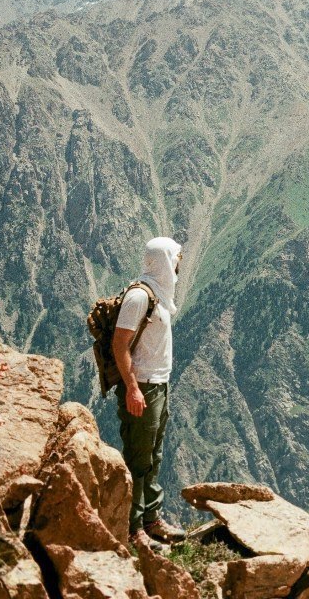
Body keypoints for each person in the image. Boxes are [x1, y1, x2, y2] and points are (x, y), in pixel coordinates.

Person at [112, 236, 188, 550]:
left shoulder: (158, 294)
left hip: (158, 384)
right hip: (142, 386)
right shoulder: (139, 297)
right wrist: (132, 389)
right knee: (138, 458)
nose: (179, 264)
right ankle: (132, 530)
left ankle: (151, 520)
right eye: (176, 258)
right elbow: (120, 345)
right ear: (164, 260)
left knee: (153, 457)